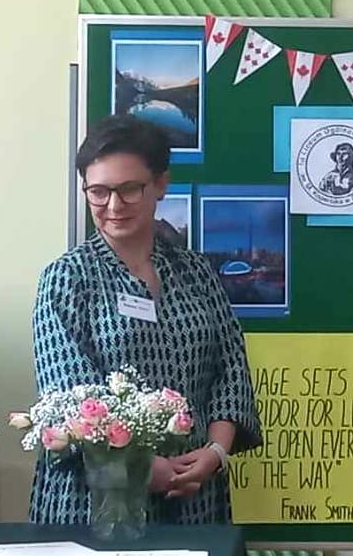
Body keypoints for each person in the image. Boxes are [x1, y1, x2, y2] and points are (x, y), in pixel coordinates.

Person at [30, 114, 261, 525]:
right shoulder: (67, 278)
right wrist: (138, 466)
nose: (113, 206)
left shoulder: (196, 272)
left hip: (194, 493)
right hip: (96, 500)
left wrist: (215, 453)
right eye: (98, 192)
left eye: (129, 189)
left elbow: (231, 370)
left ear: (160, 185)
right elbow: (69, 396)